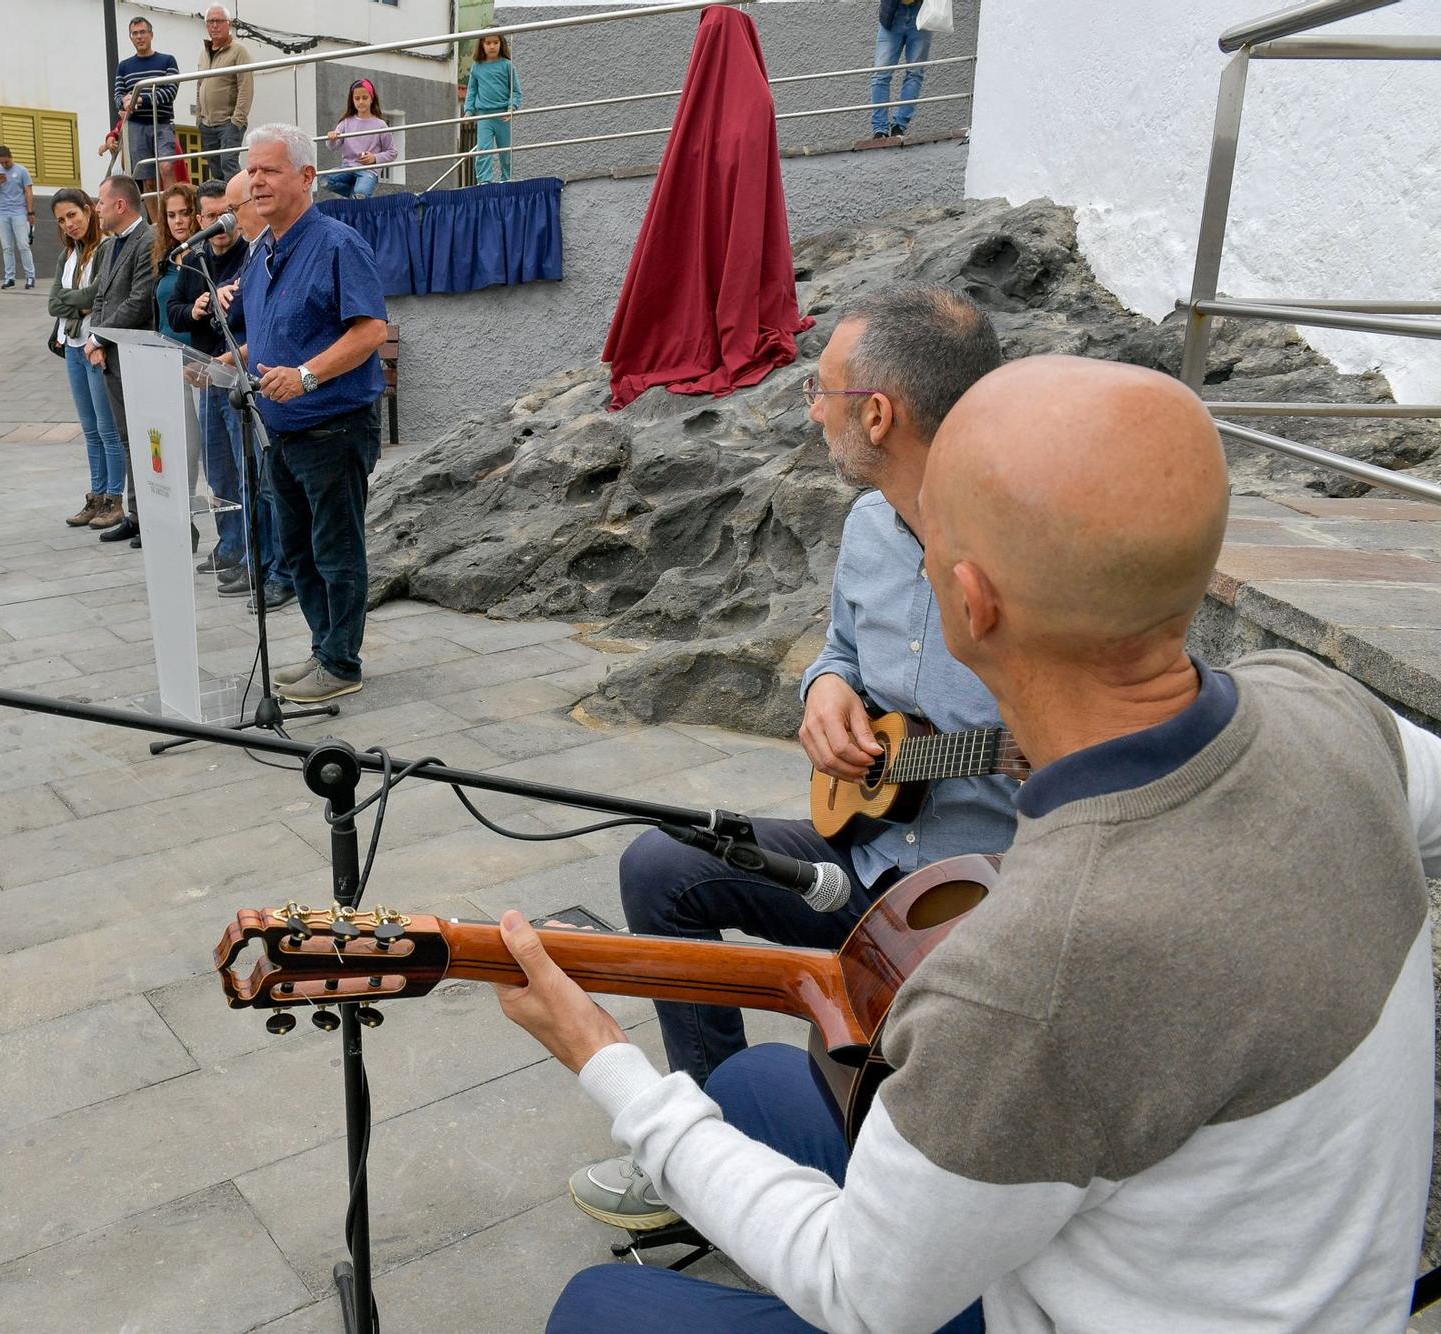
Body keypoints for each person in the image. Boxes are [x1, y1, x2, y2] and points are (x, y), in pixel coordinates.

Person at [504, 353, 1441, 1334]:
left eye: (928, 543)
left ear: (969, 599)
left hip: (1037, 1296)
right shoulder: (1334, 714)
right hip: (1292, 1276)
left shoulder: (1029, 969)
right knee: (745, 1084)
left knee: (597, 1305)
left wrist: (602, 1055)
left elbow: (859, 1291)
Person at [571, 288, 1013, 1230]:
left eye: (822, 390)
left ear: (879, 414)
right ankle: (707, 1147)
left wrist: (1046, 762)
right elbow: (843, 651)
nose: (814, 410)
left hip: (975, 912)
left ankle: (800, 1186)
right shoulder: (867, 528)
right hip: (860, 860)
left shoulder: (1030, 554)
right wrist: (822, 691)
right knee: (664, 865)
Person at [235, 125, 387, 702]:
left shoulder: (337, 245)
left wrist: (306, 376)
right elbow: (272, 333)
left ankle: (342, 664)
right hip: (280, 432)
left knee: (335, 549)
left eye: (269, 170)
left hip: (333, 426)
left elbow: (371, 329)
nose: (257, 181)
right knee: (297, 552)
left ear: (306, 176)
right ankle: (325, 647)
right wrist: (231, 358)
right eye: (253, 171)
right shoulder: (263, 252)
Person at [213, 168, 289, 605]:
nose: (232, 217)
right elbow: (258, 328)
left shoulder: (271, 250)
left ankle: (281, 571)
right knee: (258, 488)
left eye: (234, 207)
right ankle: (261, 566)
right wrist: (233, 357)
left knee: (273, 491)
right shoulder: (255, 253)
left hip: (285, 395)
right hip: (251, 384)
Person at [168, 180, 251, 578]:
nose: (221, 224)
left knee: (243, 468)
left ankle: (254, 552)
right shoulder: (193, 260)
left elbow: (255, 320)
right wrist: (197, 309)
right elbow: (174, 311)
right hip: (207, 380)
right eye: (212, 216)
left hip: (238, 380)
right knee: (217, 472)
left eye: (226, 214)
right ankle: (229, 544)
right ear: (200, 219)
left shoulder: (249, 257)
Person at [84, 174, 155, 545]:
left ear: (120, 205)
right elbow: (101, 297)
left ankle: (151, 517)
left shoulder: (148, 240)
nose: (96, 209)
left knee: (144, 440)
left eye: (100, 202)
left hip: (136, 355)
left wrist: (98, 336)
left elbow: (139, 300)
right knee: (127, 439)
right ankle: (134, 514)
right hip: (111, 354)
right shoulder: (110, 247)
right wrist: (95, 339)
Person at [48, 186, 123, 533]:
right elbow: (53, 303)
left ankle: (115, 499)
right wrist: (77, 302)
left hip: (96, 345)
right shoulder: (69, 255)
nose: (68, 224)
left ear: (89, 210)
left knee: (108, 429)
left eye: (72, 215)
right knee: (90, 429)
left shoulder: (106, 248)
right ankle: (96, 495)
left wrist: (76, 300)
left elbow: (97, 295)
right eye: (62, 220)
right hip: (71, 346)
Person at [105, 15, 180, 216]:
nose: (139, 37)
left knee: (166, 167)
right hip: (136, 127)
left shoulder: (167, 61)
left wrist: (139, 99)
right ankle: (157, 226)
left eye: (142, 32)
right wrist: (124, 102)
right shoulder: (124, 66)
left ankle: (176, 212)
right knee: (147, 179)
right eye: (135, 33)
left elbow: (170, 92)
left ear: (151, 34)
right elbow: (118, 96)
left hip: (162, 124)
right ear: (130, 38)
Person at [197, 6, 254, 180]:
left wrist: (237, 120)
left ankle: (242, 205)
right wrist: (199, 118)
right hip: (207, 124)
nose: (214, 25)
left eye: (219, 21)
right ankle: (223, 206)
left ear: (228, 24)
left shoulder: (239, 50)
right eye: (210, 21)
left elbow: (246, 86)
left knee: (228, 163)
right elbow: (199, 85)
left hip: (229, 122)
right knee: (215, 169)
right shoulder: (204, 53)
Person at [322, 80, 397, 199]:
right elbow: (332, 147)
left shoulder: (381, 125)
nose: (361, 101)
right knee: (325, 180)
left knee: (361, 193)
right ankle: (358, 197)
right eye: (357, 98)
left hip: (369, 171)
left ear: (371, 99)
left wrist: (374, 158)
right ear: (352, 100)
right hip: (347, 167)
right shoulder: (346, 122)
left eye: (364, 98)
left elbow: (392, 152)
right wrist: (331, 138)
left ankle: (360, 196)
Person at [870, 0, 932, 140]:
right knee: (880, 75)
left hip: (921, 12)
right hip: (893, 13)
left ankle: (900, 125)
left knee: (914, 73)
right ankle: (880, 129)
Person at [465, 34, 522, 185]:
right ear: (482, 45)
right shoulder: (477, 67)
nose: (492, 46)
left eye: (495, 42)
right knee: (483, 150)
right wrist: (468, 111)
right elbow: (471, 91)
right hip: (484, 115)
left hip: (503, 115)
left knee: (506, 152)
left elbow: (515, 91)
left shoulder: (507, 65)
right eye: (488, 43)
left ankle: (507, 180)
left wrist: (512, 107)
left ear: (501, 44)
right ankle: (484, 181)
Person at [151, 184, 200, 349]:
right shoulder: (166, 257)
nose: (178, 221)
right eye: (171, 215)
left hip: (199, 357)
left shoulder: (207, 256)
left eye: (185, 213)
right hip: (165, 352)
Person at [0, 146, 37, 291]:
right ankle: (9, 278)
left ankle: (30, 276)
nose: (4, 165)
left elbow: (28, 191)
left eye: (6, 162)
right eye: (2, 163)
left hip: (19, 212)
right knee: (7, 247)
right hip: (1, 212)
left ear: (11, 157)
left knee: (23, 245)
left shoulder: (22, 171)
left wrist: (31, 212)